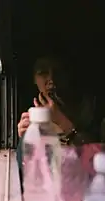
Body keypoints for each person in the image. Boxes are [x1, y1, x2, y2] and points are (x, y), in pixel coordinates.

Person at [16, 55, 104, 191]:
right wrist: (25, 138)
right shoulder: (32, 114)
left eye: (58, 72)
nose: (51, 80)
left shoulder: (89, 110)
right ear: (34, 79)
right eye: (43, 72)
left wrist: (62, 122)